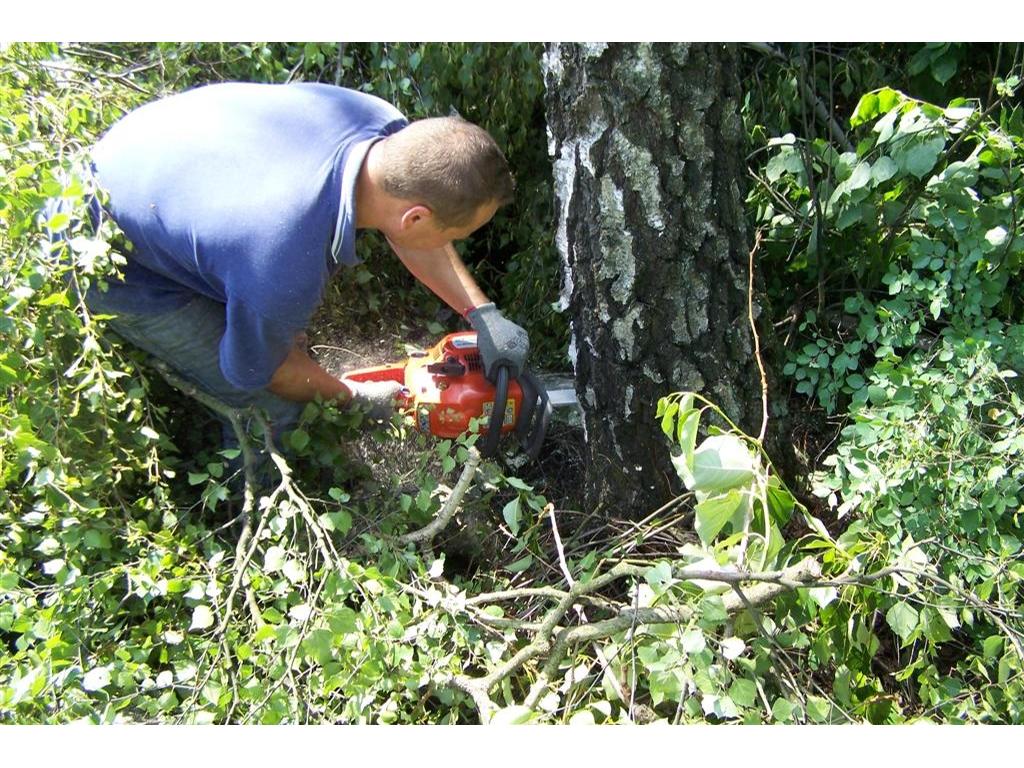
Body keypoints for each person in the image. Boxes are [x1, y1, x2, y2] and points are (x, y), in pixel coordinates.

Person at [82, 81, 530, 446]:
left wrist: (481, 313)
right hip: (104, 244)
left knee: (268, 319)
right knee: (269, 403)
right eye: (455, 235)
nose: (452, 242)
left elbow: (413, 230)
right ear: (415, 217)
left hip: (151, 145)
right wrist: (354, 397)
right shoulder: (283, 265)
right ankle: (250, 506)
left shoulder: (379, 123)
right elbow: (265, 373)